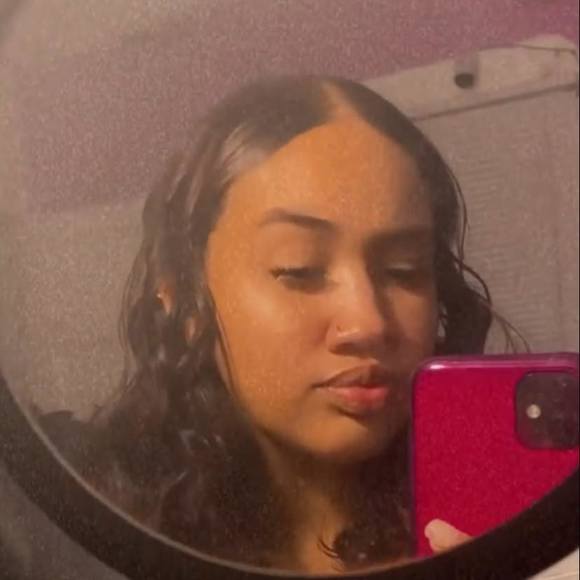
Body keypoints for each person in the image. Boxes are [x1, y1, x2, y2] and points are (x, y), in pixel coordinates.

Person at [59, 75, 514, 574]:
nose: (367, 323)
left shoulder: (508, 513)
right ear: (184, 302)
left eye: (404, 270)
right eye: (299, 269)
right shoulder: (84, 537)